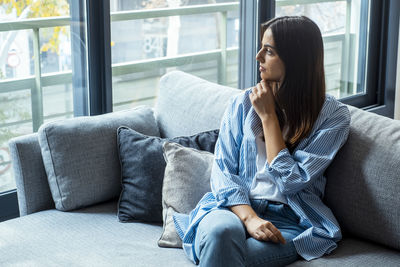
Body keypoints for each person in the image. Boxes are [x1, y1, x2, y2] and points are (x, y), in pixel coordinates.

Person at [173, 16, 351, 267]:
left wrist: (268, 118)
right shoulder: (242, 103)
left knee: (227, 255)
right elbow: (222, 172)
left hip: (291, 221)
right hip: (233, 209)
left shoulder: (333, 116)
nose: (258, 56)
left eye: (269, 51)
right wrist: (250, 219)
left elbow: (291, 181)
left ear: (295, 60)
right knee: (221, 234)